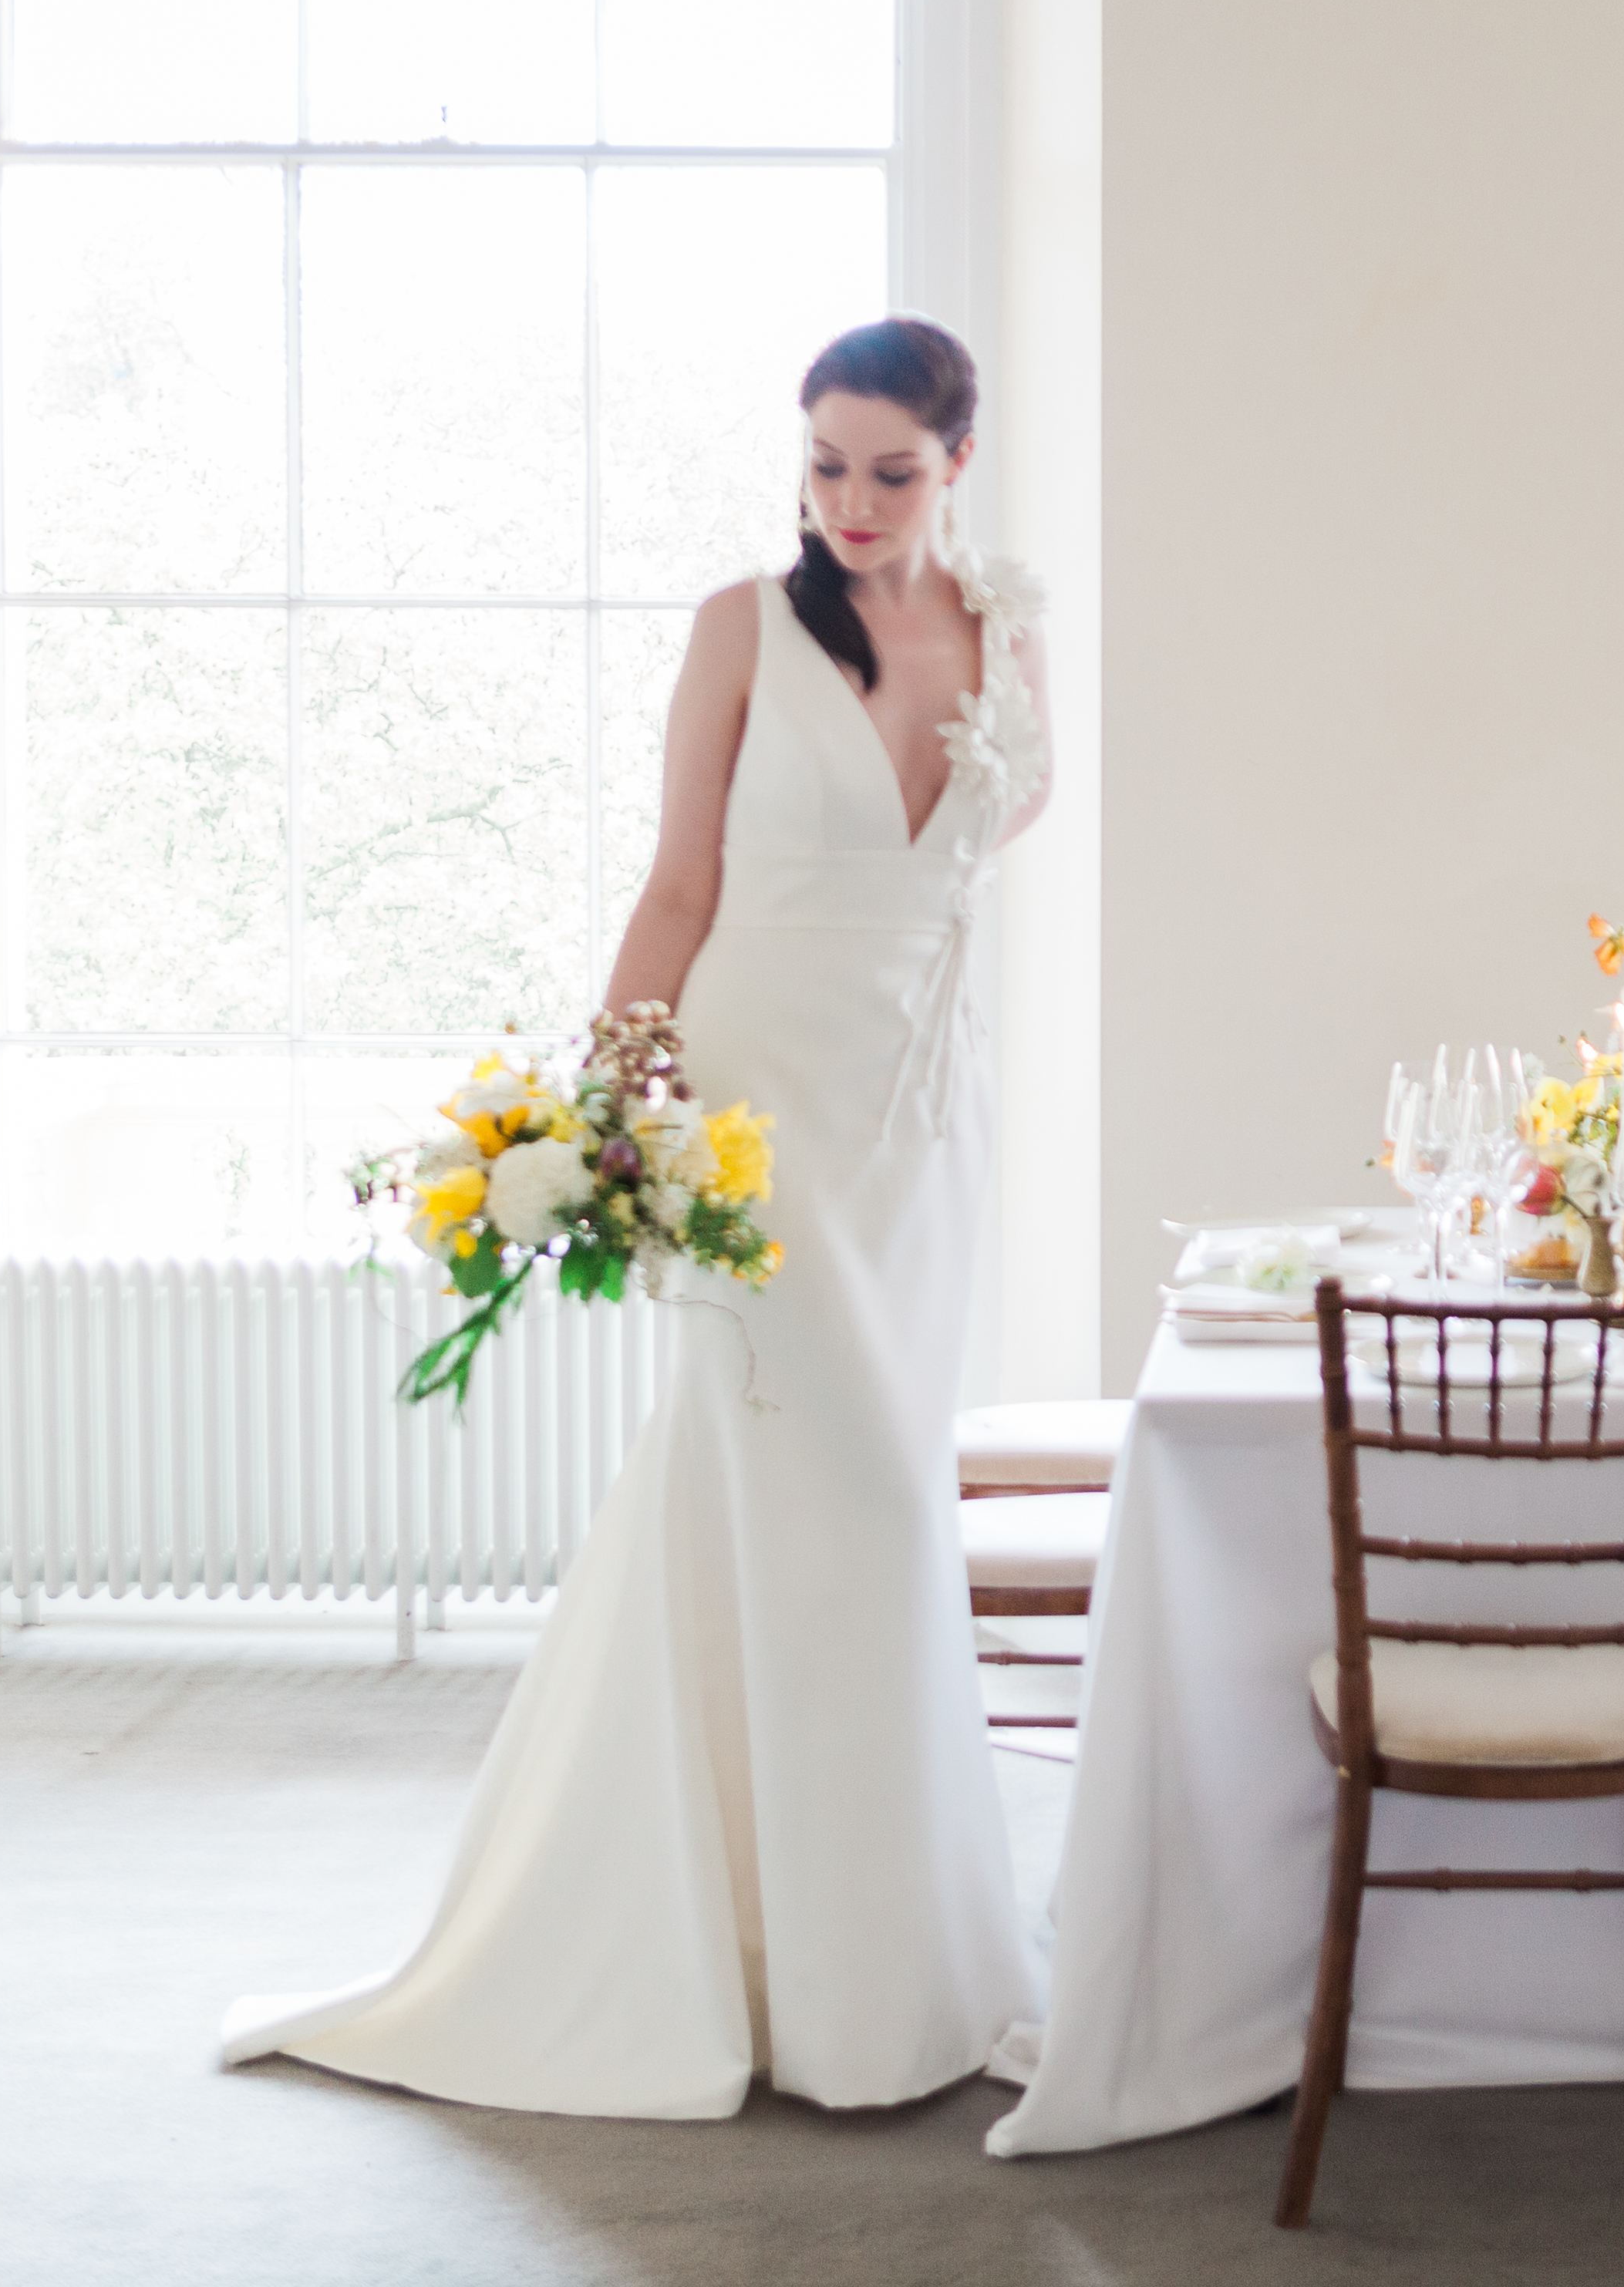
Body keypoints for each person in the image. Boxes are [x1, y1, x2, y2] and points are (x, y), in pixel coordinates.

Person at [223, 317, 1053, 2117]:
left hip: (921, 1121)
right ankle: (738, 1962)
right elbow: (682, 878)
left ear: (957, 464)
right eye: (823, 463)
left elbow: (987, 848)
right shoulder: (739, 630)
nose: (847, 501)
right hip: (756, 1114)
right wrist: (615, 1105)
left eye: (889, 470)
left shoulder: (1012, 634)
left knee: (889, 1501)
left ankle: (881, 1958)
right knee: (785, 1486)